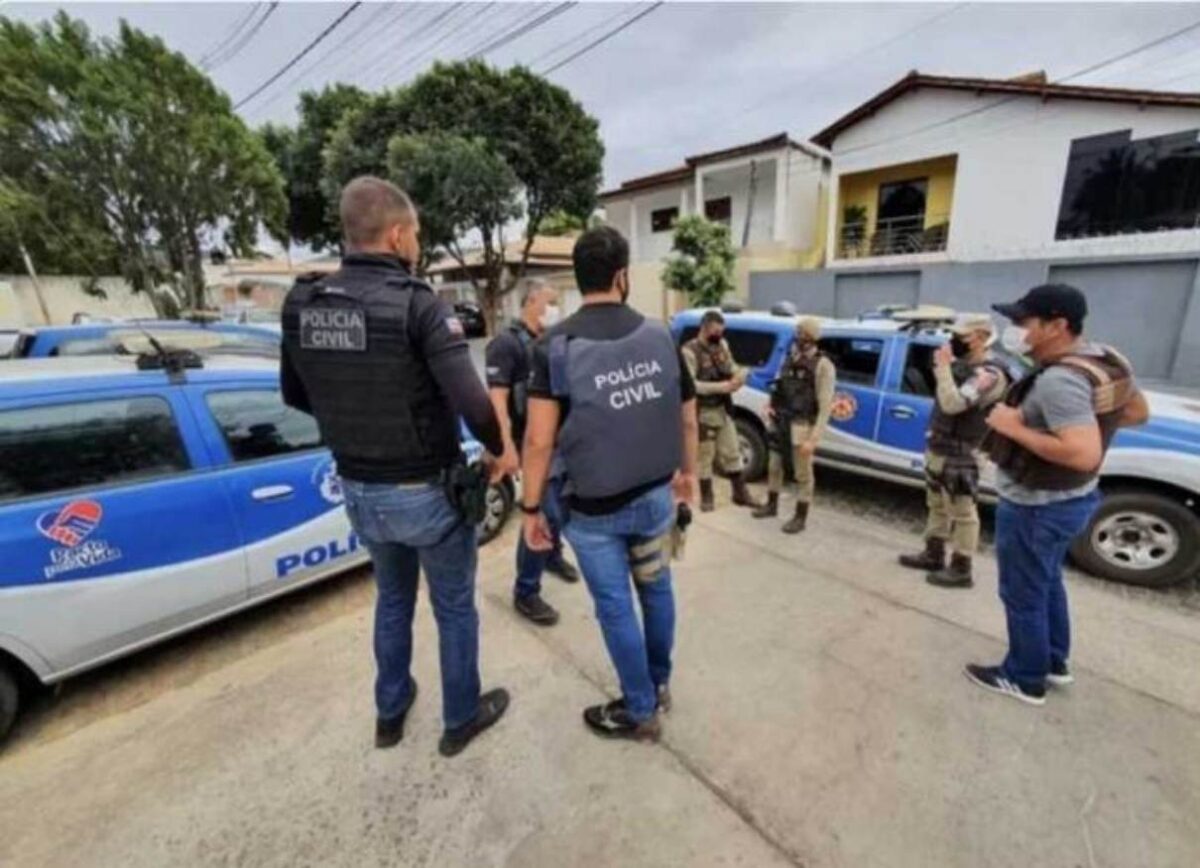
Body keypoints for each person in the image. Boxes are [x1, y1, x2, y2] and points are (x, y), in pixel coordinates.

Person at [280, 177, 515, 757]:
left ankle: (390, 711)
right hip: (425, 492)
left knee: (392, 600)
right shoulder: (418, 305)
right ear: (398, 233)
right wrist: (498, 447)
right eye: (416, 235)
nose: (417, 245)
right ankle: (460, 718)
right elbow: (473, 402)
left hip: (358, 489)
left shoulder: (303, 303)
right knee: (454, 607)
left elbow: (295, 393)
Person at [520, 226, 699, 742]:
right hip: (653, 498)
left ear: (579, 280)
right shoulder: (662, 334)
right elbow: (688, 418)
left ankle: (641, 710)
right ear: (622, 276)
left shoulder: (554, 346)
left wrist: (531, 511)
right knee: (657, 588)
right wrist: (688, 474)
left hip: (593, 513)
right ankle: (658, 684)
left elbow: (537, 441)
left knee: (616, 607)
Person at [965, 283, 1149, 705]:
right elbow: (1137, 412)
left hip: (1037, 504)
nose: (1014, 329)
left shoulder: (1061, 381)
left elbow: (1083, 454)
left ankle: (1024, 677)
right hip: (1072, 499)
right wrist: (1084, 425)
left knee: (1022, 592)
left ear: (1056, 326)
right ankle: (1053, 662)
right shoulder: (1105, 359)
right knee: (1046, 582)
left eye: (1023, 322)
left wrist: (1015, 428)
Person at [485, 278, 580, 628]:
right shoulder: (505, 345)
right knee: (544, 513)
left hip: (559, 441)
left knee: (561, 511)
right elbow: (498, 402)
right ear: (530, 302)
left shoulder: (553, 342)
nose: (555, 309)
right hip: (531, 444)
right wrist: (504, 447)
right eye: (550, 302)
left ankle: (552, 555)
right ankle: (526, 590)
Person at [898, 315, 1009, 588]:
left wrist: (943, 368)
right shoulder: (962, 367)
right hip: (940, 447)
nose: (954, 341)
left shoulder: (990, 375)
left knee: (963, 511)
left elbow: (953, 404)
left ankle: (962, 568)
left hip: (963, 454)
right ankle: (933, 553)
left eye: (962, 336)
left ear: (982, 337)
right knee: (936, 503)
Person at [752, 317, 836, 533]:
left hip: (802, 425)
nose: (797, 337)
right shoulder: (789, 358)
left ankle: (800, 516)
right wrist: (770, 405)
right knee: (774, 466)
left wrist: (813, 439)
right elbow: (779, 386)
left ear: (811, 338)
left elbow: (826, 406)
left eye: (801, 334)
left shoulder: (823, 366)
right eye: (797, 333)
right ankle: (771, 505)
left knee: (803, 474)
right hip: (781, 421)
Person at [681, 311, 758, 513]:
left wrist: (740, 375)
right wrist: (722, 387)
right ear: (704, 327)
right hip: (703, 410)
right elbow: (691, 385)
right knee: (705, 457)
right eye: (715, 332)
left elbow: (730, 365)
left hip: (723, 408)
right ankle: (707, 496)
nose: (719, 336)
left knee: (732, 451)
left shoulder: (722, 344)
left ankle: (740, 493)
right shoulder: (689, 351)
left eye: (721, 332)